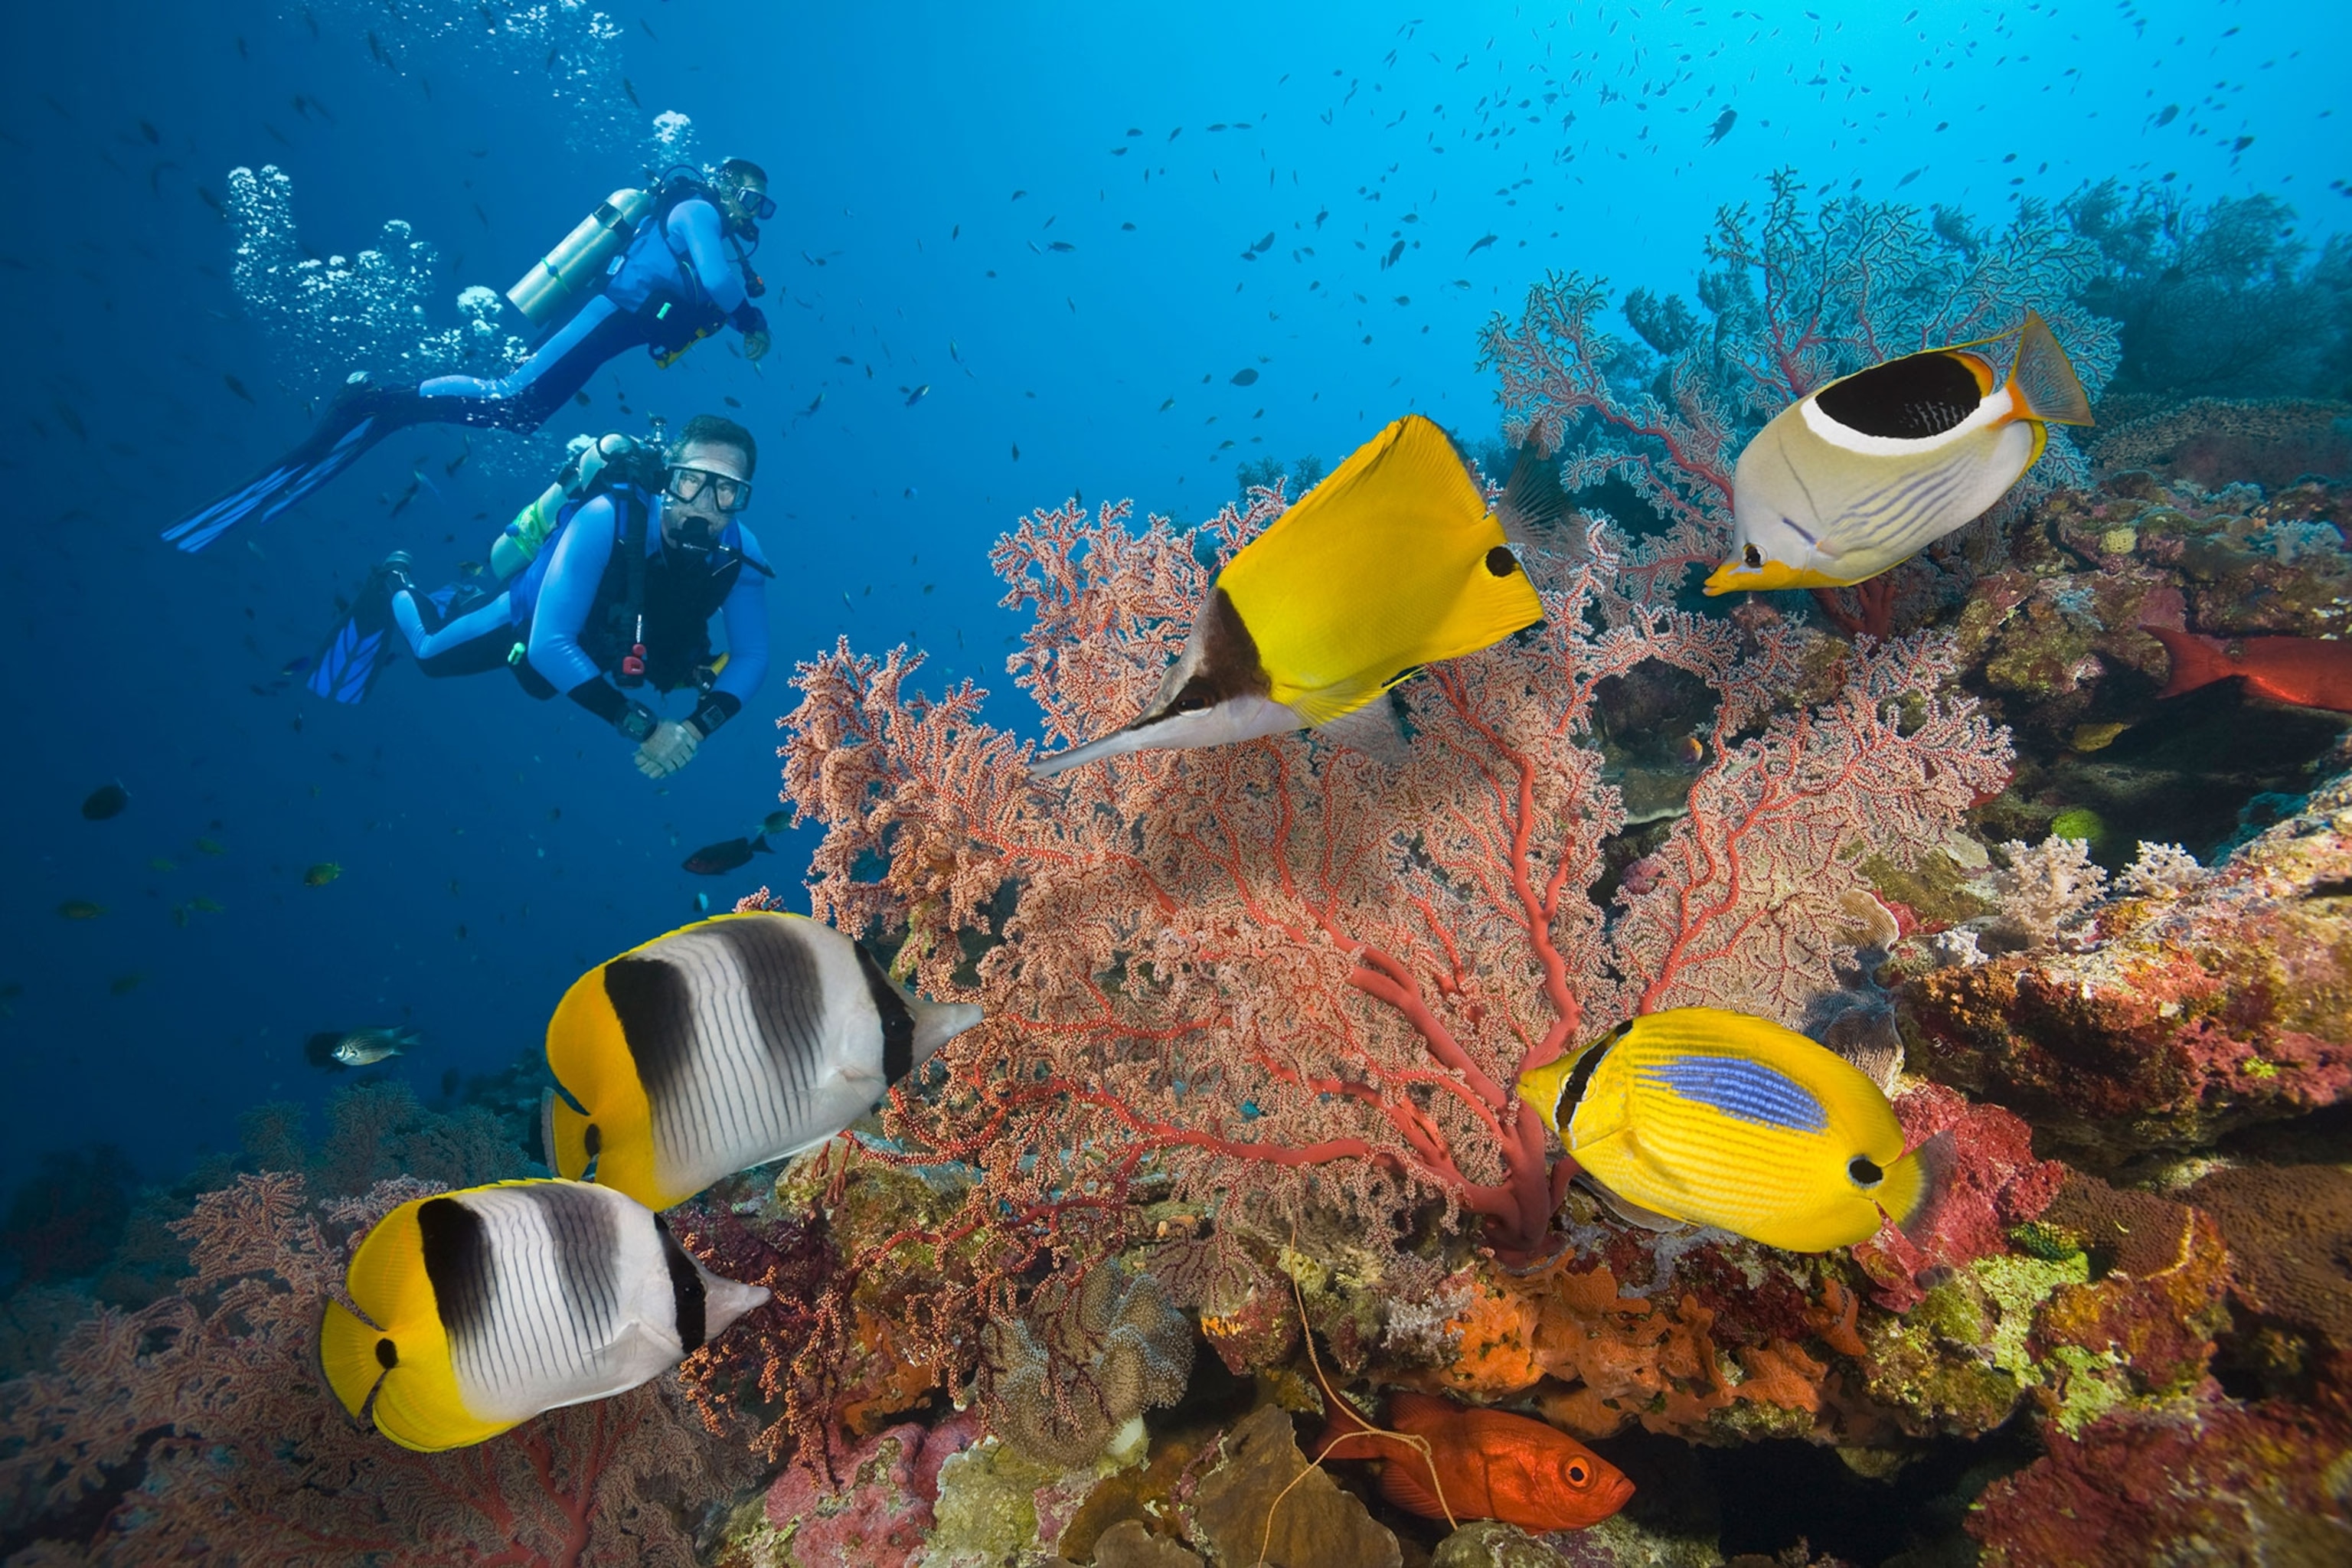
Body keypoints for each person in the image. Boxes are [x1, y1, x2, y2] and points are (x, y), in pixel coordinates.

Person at [165, 159, 777, 553]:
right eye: (749, 196)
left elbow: (706, 295)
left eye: (760, 206)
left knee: (520, 413)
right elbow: (721, 288)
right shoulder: (696, 209)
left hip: (614, 328)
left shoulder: (713, 231)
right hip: (605, 316)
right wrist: (749, 316)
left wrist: (732, 312)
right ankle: (378, 397)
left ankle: (400, 406)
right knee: (512, 394)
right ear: (723, 184)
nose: (751, 211)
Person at [308, 413, 772, 779]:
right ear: (669, 479)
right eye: (692, 481)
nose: (706, 505)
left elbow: (752, 655)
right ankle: (394, 579)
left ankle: (459, 595)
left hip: (609, 635)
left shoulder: (740, 550)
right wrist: (647, 730)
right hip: (536, 615)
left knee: (562, 683)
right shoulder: (606, 518)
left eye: (728, 490)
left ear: (743, 498)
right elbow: (549, 643)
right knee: (430, 653)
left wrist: (693, 730)